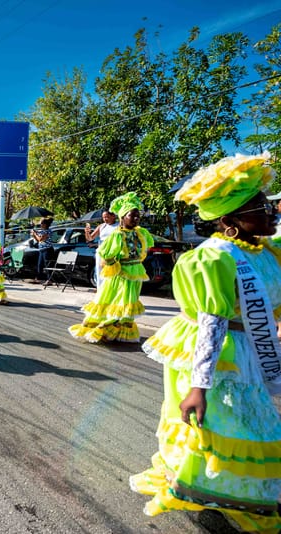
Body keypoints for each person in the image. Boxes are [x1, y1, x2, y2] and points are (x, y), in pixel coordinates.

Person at [130, 153, 281, 532]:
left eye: (267, 203)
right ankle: (214, 490)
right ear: (229, 223)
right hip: (214, 354)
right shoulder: (213, 257)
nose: (271, 211)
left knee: (249, 424)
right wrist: (198, 386)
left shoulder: (268, 252)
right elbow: (212, 323)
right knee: (224, 426)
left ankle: (240, 491)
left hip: (248, 350)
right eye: (260, 207)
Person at [68, 192, 153, 343]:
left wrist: (137, 260)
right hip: (121, 274)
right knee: (118, 300)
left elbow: (145, 249)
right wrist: (115, 265)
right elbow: (105, 253)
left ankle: (120, 328)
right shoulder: (117, 235)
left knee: (130, 301)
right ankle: (106, 327)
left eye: (137, 216)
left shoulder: (142, 232)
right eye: (131, 215)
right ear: (122, 217)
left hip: (136, 272)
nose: (135, 219)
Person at [85, 210, 119, 289]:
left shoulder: (119, 225)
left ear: (113, 216)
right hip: (102, 252)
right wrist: (87, 232)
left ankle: (111, 290)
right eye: (103, 217)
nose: (105, 219)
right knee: (99, 270)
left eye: (107, 217)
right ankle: (100, 289)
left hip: (113, 252)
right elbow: (90, 238)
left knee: (112, 271)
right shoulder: (102, 226)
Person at [30, 217, 54, 282]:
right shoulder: (42, 231)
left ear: (45, 224)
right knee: (40, 265)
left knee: (48, 265)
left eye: (41, 223)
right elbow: (38, 241)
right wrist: (34, 235)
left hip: (48, 250)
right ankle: (38, 278)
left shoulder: (48, 231)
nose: (40, 225)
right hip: (41, 250)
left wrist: (35, 234)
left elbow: (41, 239)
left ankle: (49, 280)